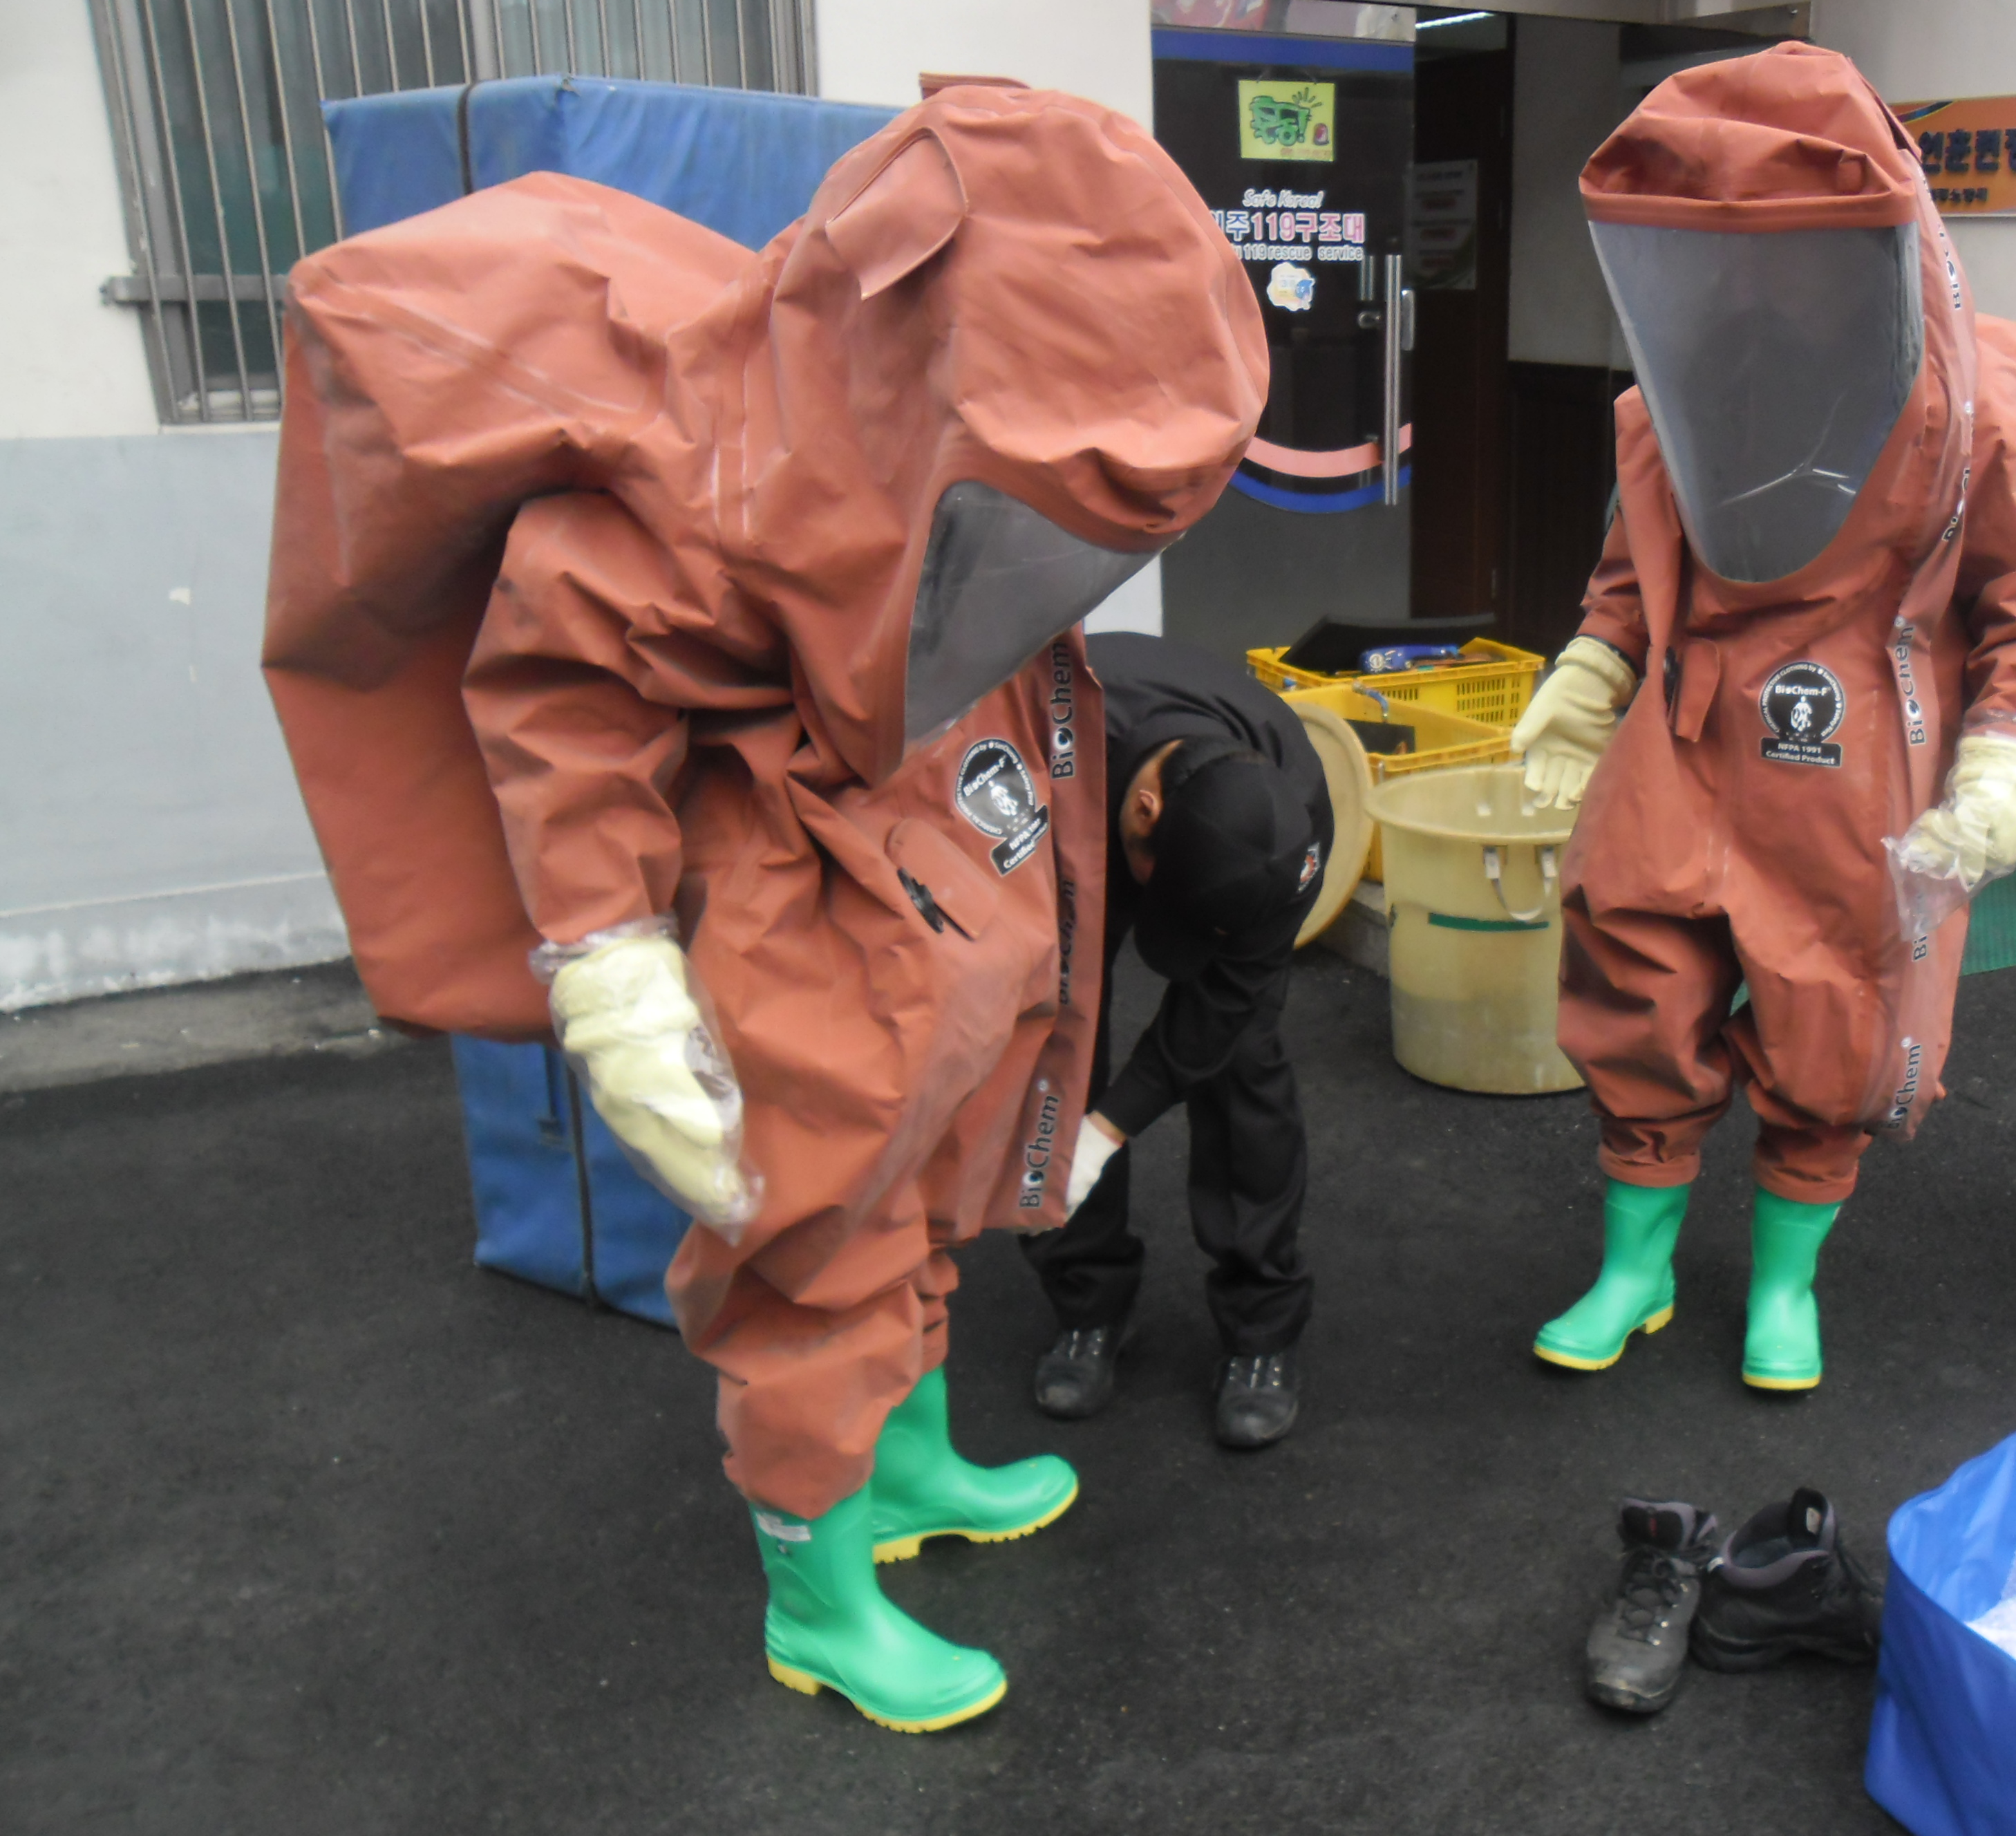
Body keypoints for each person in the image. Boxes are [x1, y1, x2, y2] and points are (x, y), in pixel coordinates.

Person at [263, 88, 1266, 1732]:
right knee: (816, 1256)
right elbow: (563, 715)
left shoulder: (919, 452)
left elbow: (964, 607)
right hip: (794, 920)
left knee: (922, 1212)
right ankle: (819, 1592)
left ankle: (911, 1467)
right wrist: (611, 964)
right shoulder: (690, 476)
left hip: (932, 887)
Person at [1509, 44, 2016, 1393]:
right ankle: (1635, 1267)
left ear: (1871, 244)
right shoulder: (1691, 391)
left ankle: (1783, 1282)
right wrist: (1591, 667)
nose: (1755, 277)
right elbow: (1640, 562)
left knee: (1836, 1007)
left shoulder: (1966, 408)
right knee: (1630, 960)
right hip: (1684, 728)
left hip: (1856, 742)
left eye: (1789, 247)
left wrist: (2010, 745)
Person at [1019, 633, 1332, 1450]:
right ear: (1147, 812)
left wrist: (1106, 1131)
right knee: (1054, 1038)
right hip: (1067, 819)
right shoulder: (1035, 732)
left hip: (1177, 844)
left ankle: (1262, 1325)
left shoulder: (1296, 822)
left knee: (1242, 1056)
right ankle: (1088, 1299)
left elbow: (1219, 1007)